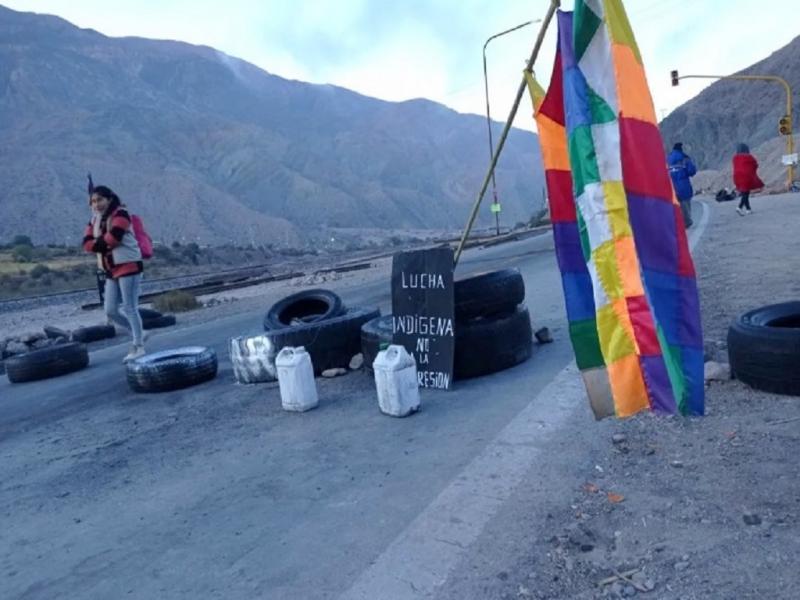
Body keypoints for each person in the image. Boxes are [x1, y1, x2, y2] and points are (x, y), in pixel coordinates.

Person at [82, 185, 146, 362]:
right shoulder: (94, 221)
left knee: (129, 307)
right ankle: (139, 332)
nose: (96, 204)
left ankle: (138, 345)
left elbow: (113, 239)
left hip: (128, 265)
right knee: (110, 310)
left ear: (109, 199)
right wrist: (100, 243)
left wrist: (99, 243)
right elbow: (86, 244)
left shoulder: (121, 214)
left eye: (100, 200)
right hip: (111, 269)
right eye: (93, 201)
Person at [667, 142, 697, 228]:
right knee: (685, 204)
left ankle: (677, 223)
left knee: (675, 205)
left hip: (671, 186)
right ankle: (687, 222)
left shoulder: (667, 159)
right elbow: (692, 171)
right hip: (683, 185)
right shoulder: (684, 158)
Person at [732, 143, 764, 216]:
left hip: (737, 177)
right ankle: (739, 207)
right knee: (746, 193)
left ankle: (748, 209)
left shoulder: (734, 158)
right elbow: (755, 165)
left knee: (745, 192)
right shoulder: (749, 157)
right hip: (746, 177)